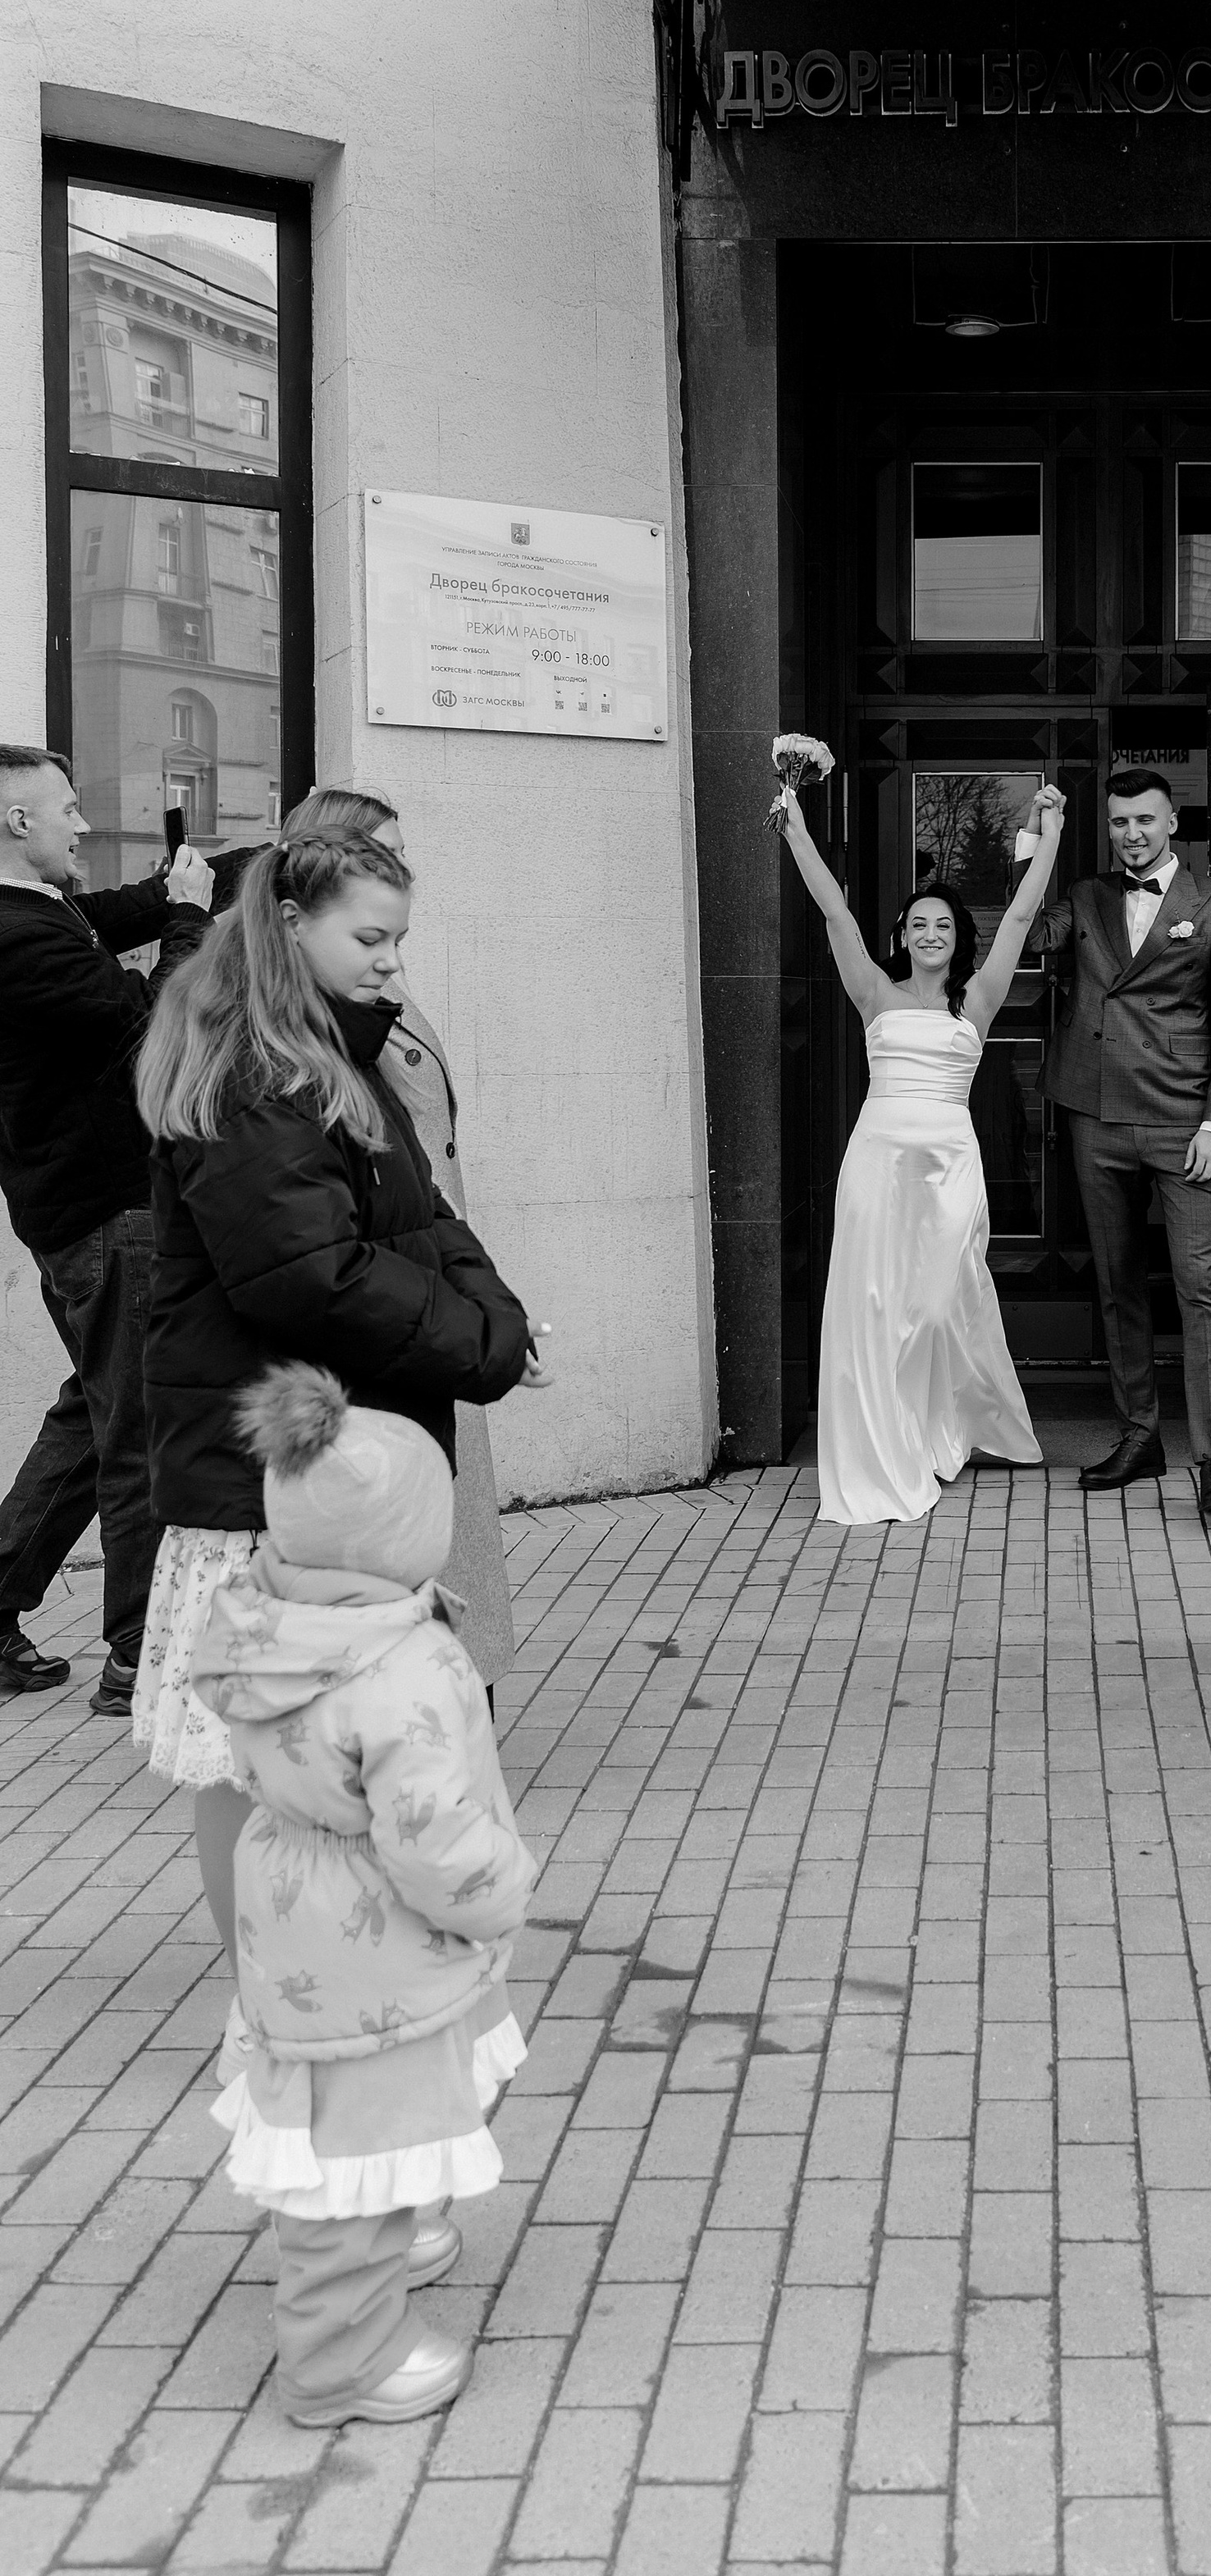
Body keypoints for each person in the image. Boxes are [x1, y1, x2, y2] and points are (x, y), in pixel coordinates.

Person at [131, 824, 542, 2000]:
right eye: (370, 938)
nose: (391, 966)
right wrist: (479, 1342)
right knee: (246, 1755)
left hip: (326, 1457)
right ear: (289, 926)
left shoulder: (327, 1059)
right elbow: (303, 1274)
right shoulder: (254, 1074)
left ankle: (329, 1969)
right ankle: (274, 1990)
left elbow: (418, 1220)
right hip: (266, 1469)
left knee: (322, 1744)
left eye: (398, 941)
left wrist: (495, 1322)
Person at [192, 1363, 535, 2427]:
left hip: (295, 1924)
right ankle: (341, 2360)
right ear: (400, 1541)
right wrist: (499, 1891)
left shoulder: (265, 1624)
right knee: (362, 2141)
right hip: (388, 1935)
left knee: (362, 2125)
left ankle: (403, 2229)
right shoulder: (405, 1667)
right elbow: (434, 1837)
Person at [775, 776, 1067, 1526]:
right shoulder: (874, 991)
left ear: (956, 936)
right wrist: (797, 830)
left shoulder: (979, 999)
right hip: (876, 1165)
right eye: (918, 923)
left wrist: (1050, 829)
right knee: (873, 1308)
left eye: (943, 923)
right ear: (902, 935)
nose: (931, 932)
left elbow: (1025, 912)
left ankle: (939, 1428)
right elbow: (834, 911)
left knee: (935, 1308)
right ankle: (888, 1443)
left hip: (948, 1167)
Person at [276, 787, 516, 1689]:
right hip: (392, 1291)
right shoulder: (312, 1011)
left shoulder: (375, 983)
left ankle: (453, 1683)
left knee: (446, 1500)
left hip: (426, 1260)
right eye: (387, 854)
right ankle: (434, 1692)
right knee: (406, 1512)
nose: (386, 952)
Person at [0, 745, 217, 1712]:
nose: (81, 825)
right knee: (139, 1432)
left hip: (82, 1212)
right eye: (68, 810)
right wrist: (190, 920)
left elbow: (111, 913)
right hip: (107, 1211)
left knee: (92, 1421)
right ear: (16, 823)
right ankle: (140, 1651)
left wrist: (203, 880)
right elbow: (150, 1014)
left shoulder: (39, 914)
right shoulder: (16, 934)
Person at [1026, 770, 1211, 1521]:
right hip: (1095, 1115)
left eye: (1146, 820)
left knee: (1201, 1286)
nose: (1132, 833)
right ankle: (1140, 1435)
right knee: (1117, 1282)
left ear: (1172, 822)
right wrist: (1035, 841)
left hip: (1185, 1121)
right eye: (1120, 821)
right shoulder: (1088, 896)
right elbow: (1027, 934)